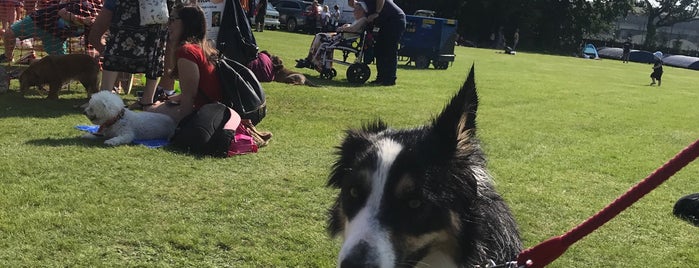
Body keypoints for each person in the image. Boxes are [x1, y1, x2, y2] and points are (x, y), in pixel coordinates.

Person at [149, 4, 236, 124]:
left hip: (205, 114)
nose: (168, 24)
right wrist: (167, 100)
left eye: (172, 20)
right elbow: (193, 91)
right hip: (214, 110)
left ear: (186, 23)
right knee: (156, 107)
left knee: (151, 112)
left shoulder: (186, 51)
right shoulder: (202, 48)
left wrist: (182, 126)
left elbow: (190, 96)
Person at [92, 0, 173, 110]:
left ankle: (145, 101)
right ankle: (105, 98)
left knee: (153, 49)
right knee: (153, 49)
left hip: (152, 10)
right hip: (152, 10)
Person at [0, 0, 100, 62]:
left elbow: (91, 46)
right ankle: (8, 57)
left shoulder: (93, 26)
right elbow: (63, 13)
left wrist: (98, 59)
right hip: (39, 21)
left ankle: (29, 60)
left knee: (59, 63)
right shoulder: (83, 7)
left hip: (55, 36)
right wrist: (82, 20)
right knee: (9, 34)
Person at [295, 1, 368, 68]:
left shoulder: (363, 19)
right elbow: (353, 28)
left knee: (320, 36)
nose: (354, 11)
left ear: (361, 11)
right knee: (320, 36)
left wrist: (342, 29)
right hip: (343, 37)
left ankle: (312, 60)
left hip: (345, 39)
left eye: (356, 10)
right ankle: (312, 59)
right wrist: (347, 26)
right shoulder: (359, 20)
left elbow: (353, 29)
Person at [350, 0, 405, 86]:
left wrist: (377, 12)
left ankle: (390, 79)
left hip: (393, 19)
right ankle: (381, 78)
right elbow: (353, 5)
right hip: (383, 20)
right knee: (379, 49)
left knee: (389, 48)